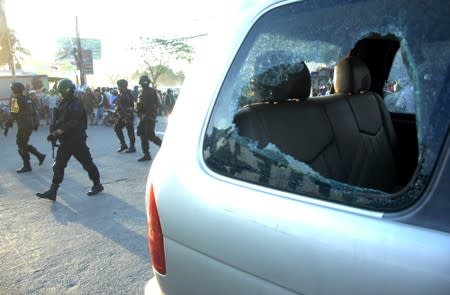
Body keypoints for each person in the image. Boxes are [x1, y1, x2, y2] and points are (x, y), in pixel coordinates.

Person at [36, 79, 103, 201]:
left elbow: (72, 123)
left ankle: (97, 185)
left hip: (76, 141)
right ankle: (53, 191)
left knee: (87, 164)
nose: (60, 93)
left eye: (61, 91)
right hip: (66, 141)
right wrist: (55, 131)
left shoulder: (76, 103)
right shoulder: (63, 102)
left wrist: (57, 133)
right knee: (58, 165)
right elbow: (60, 120)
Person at [4, 82, 46, 173]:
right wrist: (36, 124)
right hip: (29, 124)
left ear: (15, 90)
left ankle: (27, 166)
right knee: (23, 144)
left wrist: (7, 126)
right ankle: (39, 156)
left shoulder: (15, 99)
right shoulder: (28, 98)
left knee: (21, 145)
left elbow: (13, 115)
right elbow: (34, 112)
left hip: (22, 125)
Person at [136, 75, 162, 161]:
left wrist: (146, 114)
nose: (143, 83)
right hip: (143, 117)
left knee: (149, 135)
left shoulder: (150, 92)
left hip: (149, 117)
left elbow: (152, 106)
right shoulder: (142, 91)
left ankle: (163, 145)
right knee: (142, 135)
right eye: (142, 82)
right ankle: (146, 154)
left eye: (145, 82)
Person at [114, 79, 136, 153]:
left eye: (119, 86)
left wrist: (127, 117)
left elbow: (131, 106)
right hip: (122, 115)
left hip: (128, 116)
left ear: (122, 86)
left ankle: (132, 147)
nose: (118, 87)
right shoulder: (121, 93)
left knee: (130, 131)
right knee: (117, 128)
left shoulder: (128, 94)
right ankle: (123, 145)